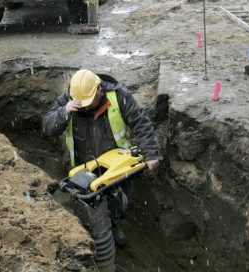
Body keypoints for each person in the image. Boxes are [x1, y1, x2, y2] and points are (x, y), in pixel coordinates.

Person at [42, 69, 161, 246]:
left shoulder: (120, 97)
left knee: (118, 203)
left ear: (100, 90)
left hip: (117, 166)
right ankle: (86, 237)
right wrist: (63, 112)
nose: (85, 106)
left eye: (89, 102)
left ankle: (112, 227)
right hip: (84, 167)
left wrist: (151, 153)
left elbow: (141, 123)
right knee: (88, 205)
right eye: (81, 103)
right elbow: (47, 127)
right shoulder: (68, 101)